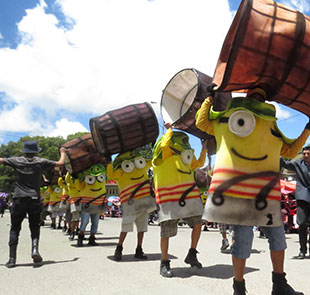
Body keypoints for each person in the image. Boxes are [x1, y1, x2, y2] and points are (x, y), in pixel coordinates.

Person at [196, 87, 307, 295]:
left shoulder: (270, 124)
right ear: (247, 96)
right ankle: (239, 287)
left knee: (278, 239)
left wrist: (308, 129)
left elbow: (291, 150)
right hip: (238, 192)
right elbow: (202, 122)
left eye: (262, 95)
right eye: (255, 94)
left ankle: (279, 284)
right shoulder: (229, 118)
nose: (258, 97)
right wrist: (209, 98)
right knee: (243, 241)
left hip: (266, 193)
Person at [152, 124, 207, 277]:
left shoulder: (187, 158)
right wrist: (169, 129)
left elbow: (199, 163)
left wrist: (204, 148)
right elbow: (164, 144)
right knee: (166, 233)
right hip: (169, 199)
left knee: (198, 224)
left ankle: (192, 253)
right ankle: (164, 262)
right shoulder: (165, 155)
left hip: (189, 197)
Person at [0, 141, 66, 268]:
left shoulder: (16, 161)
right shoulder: (40, 161)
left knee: (15, 228)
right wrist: (62, 152)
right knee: (34, 227)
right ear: (36, 151)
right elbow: (60, 164)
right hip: (35, 198)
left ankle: (12, 259)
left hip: (19, 198)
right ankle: (34, 250)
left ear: (24, 151)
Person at [107, 145, 157, 261]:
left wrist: (152, 147)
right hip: (129, 205)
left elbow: (152, 161)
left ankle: (139, 249)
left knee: (142, 228)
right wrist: (109, 161)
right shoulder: (120, 172)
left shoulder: (142, 167)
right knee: (126, 227)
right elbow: (110, 175)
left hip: (144, 204)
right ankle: (119, 248)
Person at [280, 146, 310, 259]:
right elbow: (285, 164)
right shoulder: (298, 164)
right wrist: (279, 153)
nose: (306, 155)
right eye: (304, 153)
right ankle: (302, 250)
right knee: (302, 224)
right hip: (302, 197)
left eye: (308, 153)